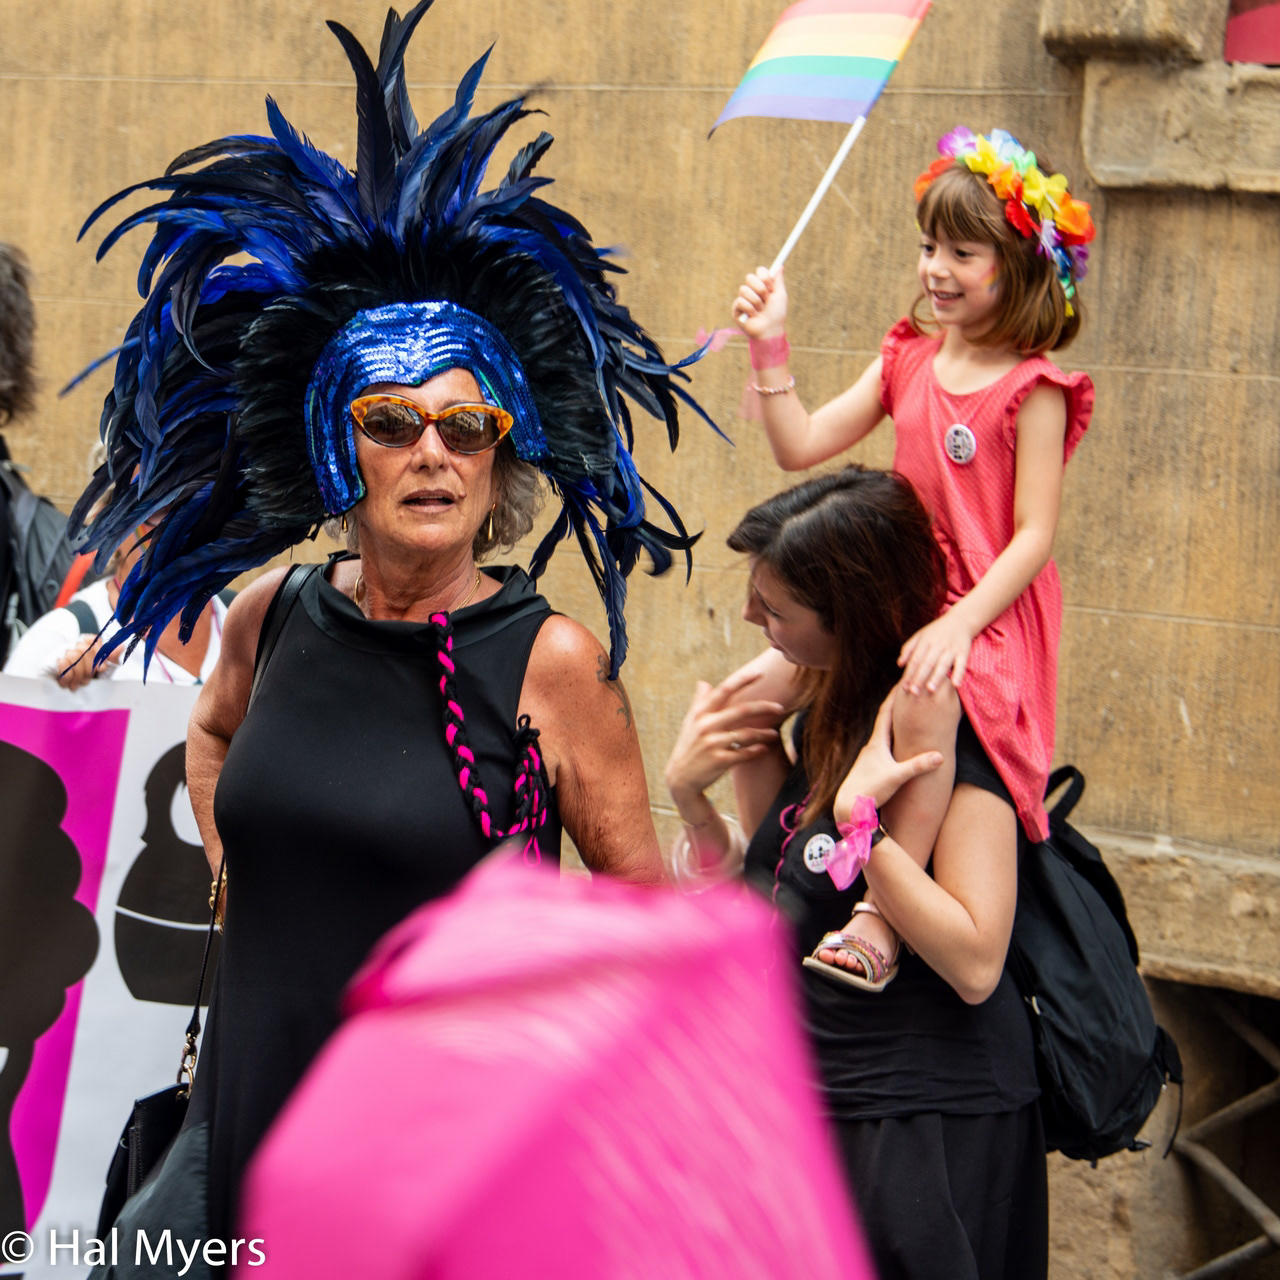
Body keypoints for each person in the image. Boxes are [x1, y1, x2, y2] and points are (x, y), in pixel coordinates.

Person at [71, 3, 714, 1250]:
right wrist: (233, 872)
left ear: (500, 453)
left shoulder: (550, 662)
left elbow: (642, 926)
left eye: (466, 426)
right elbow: (211, 737)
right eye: (391, 421)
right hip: (252, 1122)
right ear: (335, 448)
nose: (433, 450)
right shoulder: (272, 614)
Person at [731, 126, 1095, 984]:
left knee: (927, 696)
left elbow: (1033, 537)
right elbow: (801, 443)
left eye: (963, 252)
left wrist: (960, 626)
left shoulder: (1033, 388)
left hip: (986, 614)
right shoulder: (910, 358)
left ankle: (875, 916)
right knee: (761, 687)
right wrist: (769, 344)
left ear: (1021, 265)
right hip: (903, 594)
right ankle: (750, 883)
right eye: (930, 245)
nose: (936, 267)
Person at [665, 467, 1046, 1280]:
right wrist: (692, 797)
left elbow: (977, 963)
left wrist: (863, 831)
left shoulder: (956, 749)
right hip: (813, 1102)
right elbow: (778, 900)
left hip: (920, 1123)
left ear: (853, 618)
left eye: (775, 608)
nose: (748, 618)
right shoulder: (830, 710)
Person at [3, 509, 227, 686]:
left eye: (204, 502)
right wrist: (42, 695)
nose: (182, 526)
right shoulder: (59, 635)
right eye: (158, 507)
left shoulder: (249, 618)